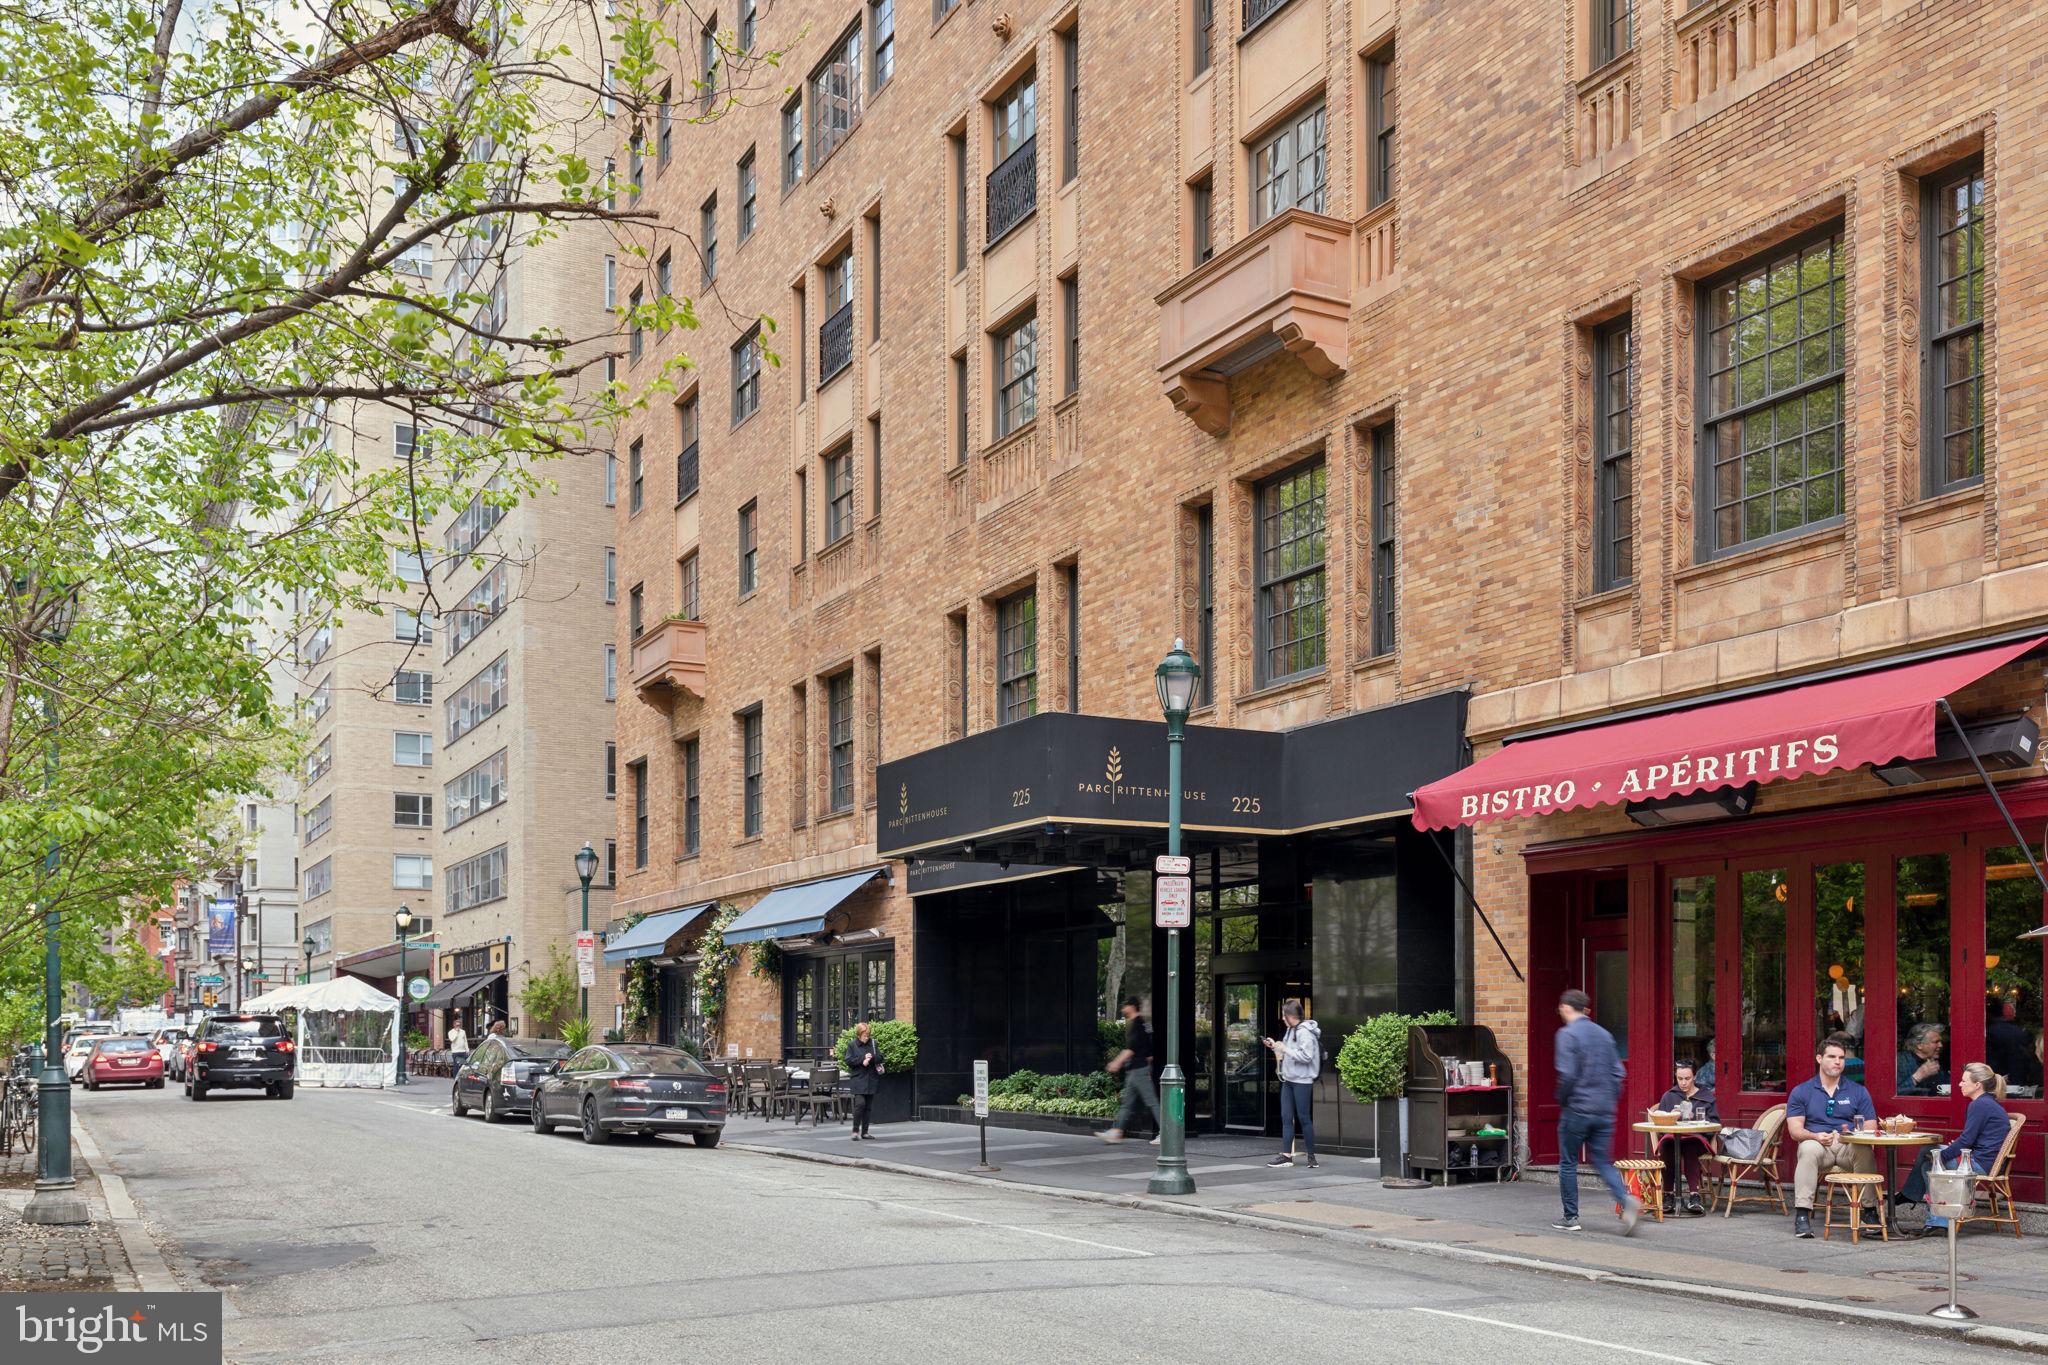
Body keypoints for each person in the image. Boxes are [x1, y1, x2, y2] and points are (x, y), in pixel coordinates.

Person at [1551, 989, 1640, 1235]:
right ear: (1586, 1010)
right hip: (1604, 1109)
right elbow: (1618, 1073)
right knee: (1602, 1161)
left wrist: (1562, 1099)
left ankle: (1571, 1217)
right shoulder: (1604, 1034)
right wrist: (1609, 1100)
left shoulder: (1567, 1034)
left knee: (1568, 1162)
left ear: (1565, 1007)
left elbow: (1568, 1074)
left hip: (1577, 1107)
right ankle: (1625, 1200)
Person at [1895, 1061, 2009, 1235]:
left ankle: (1935, 1218)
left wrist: (1941, 1157)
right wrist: (1943, 1154)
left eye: (1964, 1081)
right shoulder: (1987, 1103)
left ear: (1977, 1085)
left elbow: (1966, 1141)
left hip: (1980, 1164)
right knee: (1929, 1150)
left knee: (1929, 1163)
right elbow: (1972, 1140)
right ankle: (1916, 1200)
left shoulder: (1979, 1105)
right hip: (1982, 1159)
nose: (1959, 1084)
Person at [1786, 1038, 1880, 1239]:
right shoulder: (1801, 1091)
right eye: (1832, 1057)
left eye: (1841, 1058)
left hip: (1847, 1146)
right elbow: (1795, 1131)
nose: (1838, 1062)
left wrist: (1848, 1136)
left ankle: (1869, 1211)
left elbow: (1871, 1127)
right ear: (1819, 1058)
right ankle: (1802, 1214)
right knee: (1807, 1148)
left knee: (1864, 1148)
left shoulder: (1858, 1091)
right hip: (1819, 1145)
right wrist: (1815, 1136)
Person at [1263, 1000, 1321, 1169]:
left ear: (1291, 1016)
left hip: (1302, 1081)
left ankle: (1312, 1157)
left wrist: (1285, 1049)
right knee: (1286, 1117)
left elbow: (1306, 1056)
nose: (1282, 1018)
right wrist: (1275, 1046)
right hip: (1289, 1079)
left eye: (1284, 1015)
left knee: (1304, 1118)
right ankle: (1287, 1156)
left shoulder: (1305, 1033)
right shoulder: (1290, 1030)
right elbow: (1287, 1053)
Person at [1656, 1060, 1717, 1215]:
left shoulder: (1706, 1096)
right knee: (1667, 1144)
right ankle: (1668, 1195)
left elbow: (1715, 1124)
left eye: (1687, 1078)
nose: (1683, 1083)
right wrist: (1670, 1117)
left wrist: (1695, 1119)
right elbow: (1660, 1124)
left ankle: (1694, 1196)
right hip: (1673, 1138)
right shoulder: (1669, 1096)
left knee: (1689, 1145)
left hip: (1697, 1139)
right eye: (1680, 1078)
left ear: (1694, 1076)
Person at [1100, 997, 1161, 1146]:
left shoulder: (1137, 1025)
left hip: (1139, 1070)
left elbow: (1130, 1049)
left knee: (1151, 1102)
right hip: (1137, 1070)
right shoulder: (1144, 1024)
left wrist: (1116, 1063)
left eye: (1124, 1006)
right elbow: (1150, 1053)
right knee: (1127, 1104)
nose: (1122, 1009)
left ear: (1132, 1007)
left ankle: (1167, 1133)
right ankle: (1116, 1133)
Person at [841, 1020, 883, 1140]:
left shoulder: (873, 1043)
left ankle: (865, 1132)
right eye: (864, 1035)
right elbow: (848, 1060)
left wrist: (872, 1057)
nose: (866, 1037)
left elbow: (881, 1058)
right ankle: (855, 1131)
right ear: (859, 1035)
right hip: (858, 1079)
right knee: (860, 1104)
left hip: (871, 1079)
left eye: (868, 1035)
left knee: (868, 1107)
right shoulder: (852, 1045)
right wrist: (862, 1060)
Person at [1896, 1022, 1946, 1096]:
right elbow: (1891, 1094)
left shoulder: (1934, 1062)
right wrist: (1919, 1076)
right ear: (1919, 1045)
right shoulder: (1899, 1061)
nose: (1941, 1045)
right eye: (1936, 1042)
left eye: (1940, 1042)